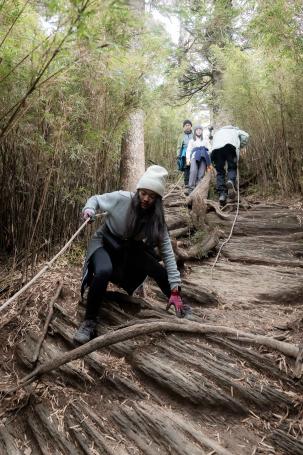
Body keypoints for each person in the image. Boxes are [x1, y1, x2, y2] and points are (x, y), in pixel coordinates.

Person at [74, 165, 192, 344]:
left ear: (157, 199)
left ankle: (178, 301)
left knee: (156, 268)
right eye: (143, 193)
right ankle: (89, 321)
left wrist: (175, 287)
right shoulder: (122, 198)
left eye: (151, 196)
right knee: (103, 271)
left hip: (127, 249)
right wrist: (89, 209)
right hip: (104, 243)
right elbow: (96, 199)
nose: (146, 199)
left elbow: (167, 252)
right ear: (138, 191)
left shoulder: (156, 219)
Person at [211, 125, 249, 205]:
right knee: (232, 167)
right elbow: (246, 136)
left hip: (217, 150)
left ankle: (222, 194)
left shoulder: (218, 132)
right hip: (230, 147)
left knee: (220, 171)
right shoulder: (235, 130)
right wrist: (240, 145)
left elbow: (212, 142)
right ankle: (230, 181)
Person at [185, 125, 211, 194]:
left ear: (202, 131)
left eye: (200, 130)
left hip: (203, 157)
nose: (199, 131)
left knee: (201, 173)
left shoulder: (205, 140)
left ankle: (198, 190)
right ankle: (191, 189)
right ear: (195, 131)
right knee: (193, 171)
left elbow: (209, 149)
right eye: (197, 130)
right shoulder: (192, 140)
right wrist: (188, 159)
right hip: (194, 157)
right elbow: (188, 150)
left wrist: (208, 156)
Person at [176, 120, 193, 187]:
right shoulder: (181, 136)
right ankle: (186, 183)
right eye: (186, 125)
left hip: (193, 152)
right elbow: (179, 146)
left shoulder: (194, 134)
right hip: (185, 153)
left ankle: (193, 183)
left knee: (194, 167)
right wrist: (178, 155)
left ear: (191, 126)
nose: (187, 126)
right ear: (184, 127)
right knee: (187, 167)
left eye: (189, 125)